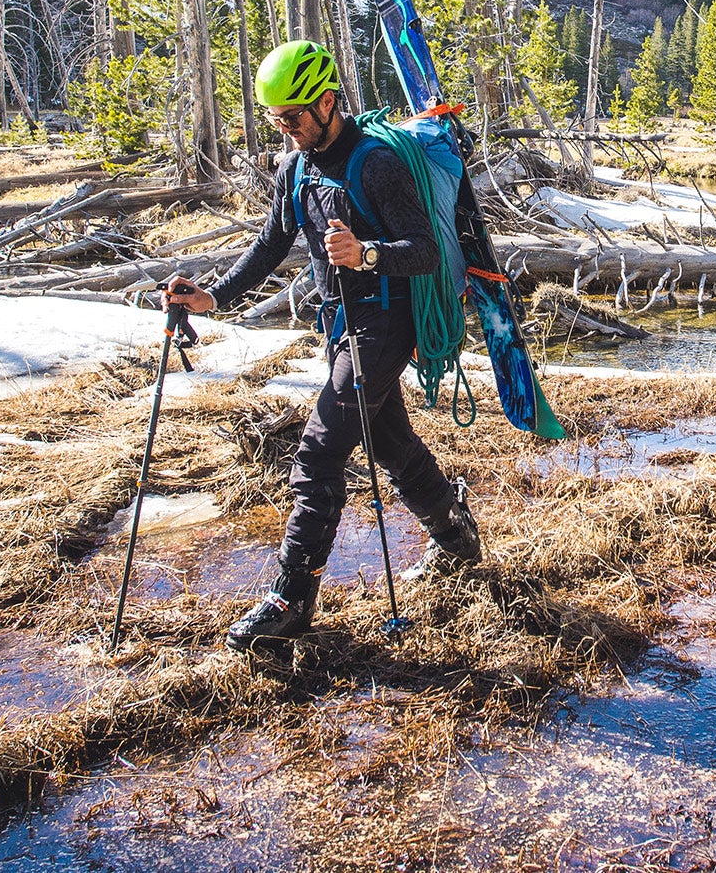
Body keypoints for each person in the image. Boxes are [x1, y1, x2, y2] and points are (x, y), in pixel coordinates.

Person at [165, 39, 482, 654]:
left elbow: (425, 251)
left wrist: (366, 255)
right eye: (275, 120)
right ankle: (459, 537)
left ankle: (291, 598)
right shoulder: (297, 169)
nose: (284, 130)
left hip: (388, 326)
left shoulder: (374, 165)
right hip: (343, 327)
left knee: (318, 452)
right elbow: (268, 247)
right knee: (390, 443)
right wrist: (213, 298)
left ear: (328, 102)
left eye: (293, 118)